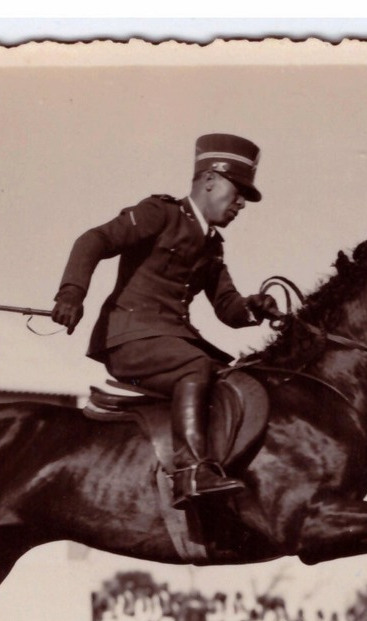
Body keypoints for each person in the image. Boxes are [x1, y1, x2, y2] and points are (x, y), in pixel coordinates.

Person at [52, 133, 279, 508]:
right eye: (237, 190)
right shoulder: (161, 213)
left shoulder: (213, 245)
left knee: (236, 381)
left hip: (169, 342)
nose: (241, 203)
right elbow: (93, 240)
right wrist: (71, 294)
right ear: (209, 179)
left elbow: (228, 307)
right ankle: (191, 473)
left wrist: (255, 306)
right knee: (195, 366)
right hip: (131, 338)